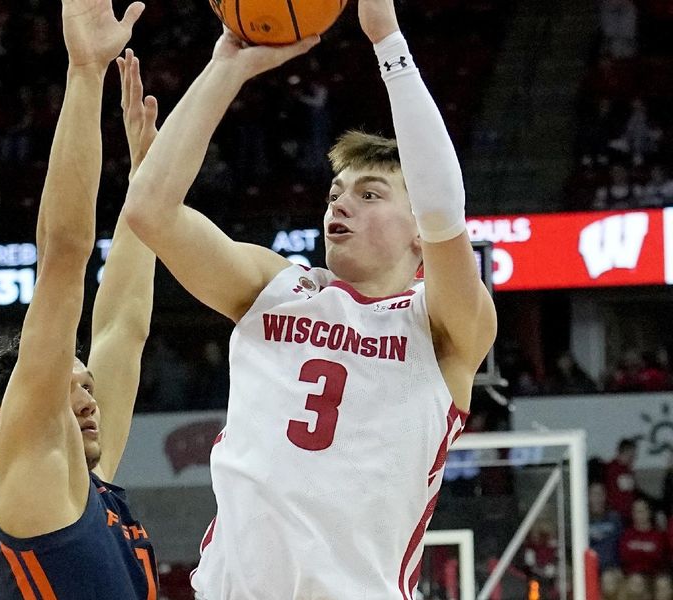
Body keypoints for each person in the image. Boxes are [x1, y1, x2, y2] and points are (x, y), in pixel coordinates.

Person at [124, 0, 497, 597]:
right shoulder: (273, 288)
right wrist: (226, 65)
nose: (340, 205)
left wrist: (388, 43)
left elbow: (445, 212)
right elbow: (148, 210)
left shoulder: (445, 327)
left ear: (418, 236)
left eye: (370, 195)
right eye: (335, 192)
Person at [0, 1, 159, 597]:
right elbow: (63, 256)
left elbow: (123, 325)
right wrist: (84, 73)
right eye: (66, 386)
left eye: (84, 384)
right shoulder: (35, 475)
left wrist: (150, 184)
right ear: (8, 423)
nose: (88, 394)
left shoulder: (87, 484)